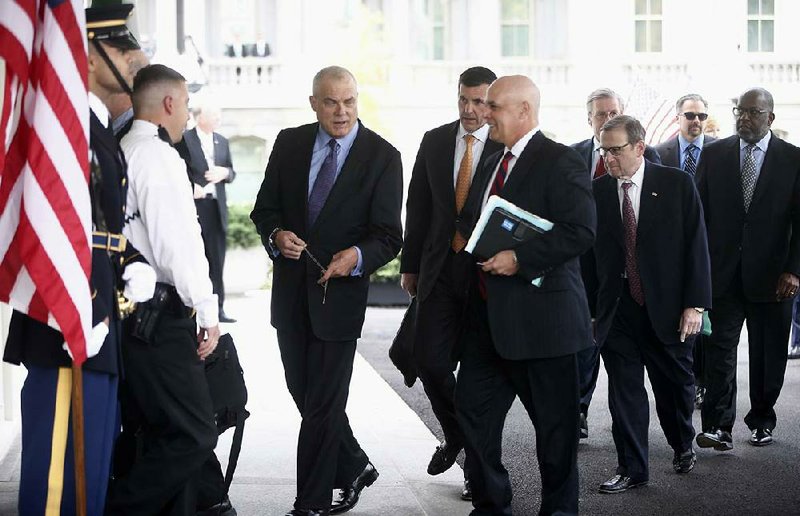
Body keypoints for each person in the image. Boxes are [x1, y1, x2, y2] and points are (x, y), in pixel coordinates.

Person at [2, 5, 156, 515]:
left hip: (97, 312)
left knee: (88, 471)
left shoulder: (96, 129)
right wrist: (80, 304)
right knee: (58, 482)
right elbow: (51, 223)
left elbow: (97, 223)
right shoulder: (65, 126)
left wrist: (131, 257)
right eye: (121, 48)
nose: (135, 58)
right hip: (68, 314)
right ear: (87, 55)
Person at [250, 66, 402, 516]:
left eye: (350, 101)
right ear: (314, 102)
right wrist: (276, 235)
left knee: (322, 405)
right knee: (303, 391)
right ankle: (353, 464)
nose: (342, 111)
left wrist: (355, 257)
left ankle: (310, 502)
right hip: (291, 296)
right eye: (332, 102)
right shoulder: (289, 142)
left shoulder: (383, 157)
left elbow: (389, 236)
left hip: (340, 300)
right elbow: (265, 209)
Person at [454, 75, 595, 516]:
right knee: (471, 416)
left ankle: (558, 511)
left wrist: (520, 258)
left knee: (556, 434)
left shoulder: (561, 160)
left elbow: (581, 231)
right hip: (486, 323)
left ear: (523, 112)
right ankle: (492, 504)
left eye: (493, 106)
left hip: (544, 325)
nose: (482, 113)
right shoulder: (492, 158)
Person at [106, 64, 222, 515]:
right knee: (195, 433)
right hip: (158, 315)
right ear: (169, 103)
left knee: (152, 429)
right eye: (187, 106)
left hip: (130, 312)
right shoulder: (157, 155)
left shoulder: (123, 147)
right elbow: (178, 245)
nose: (188, 117)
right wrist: (207, 310)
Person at [589, 115, 711, 494]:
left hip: (669, 308)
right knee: (623, 393)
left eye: (616, 150)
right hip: (618, 309)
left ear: (639, 148)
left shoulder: (675, 184)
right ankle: (632, 467)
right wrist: (590, 308)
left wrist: (695, 304)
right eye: (603, 150)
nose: (609, 158)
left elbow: (697, 246)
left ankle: (681, 442)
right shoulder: (596, 192)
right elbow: (588, 257)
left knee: (673, 387)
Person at [399, 66, 502, 500]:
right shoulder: (435, 139)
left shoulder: (506, 145)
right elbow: (418, 205)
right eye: (464, 99)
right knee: (429, 360)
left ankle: (476, 471)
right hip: (439, 270)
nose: (470, 109)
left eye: (479, 101)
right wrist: (410, 266)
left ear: (492, 103)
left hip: (486, 276)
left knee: (480, 385)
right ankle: (458, 434)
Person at [695, 87, 800, 450]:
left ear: (770, 118)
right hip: (722, 275)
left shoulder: (794, 159)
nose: (744, 118)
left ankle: (762, 420)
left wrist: (794, 270)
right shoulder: (714, 154)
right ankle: (717, 426)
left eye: (754, 112)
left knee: (767, 353)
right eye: (740, 110)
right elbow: (699, 217)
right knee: (718, 352)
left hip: (774, 278)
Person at [571, 88, 661, 439]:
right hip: (595, 275)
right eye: (600, 114)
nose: (607, 119)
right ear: (589, 119)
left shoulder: (650, 159)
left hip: (643, 285)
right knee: (587, 352)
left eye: (613, 113)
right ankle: (579, 411)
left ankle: (675, 434)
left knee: (653, 371)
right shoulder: (572, 156)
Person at [654, 94, 717, 408]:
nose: (696, 121)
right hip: (670, 257)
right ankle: (682, 385)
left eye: (702, 116)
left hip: (711, 254)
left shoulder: (720, 151)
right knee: (679, 326)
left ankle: (702, 384)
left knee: (706, 329)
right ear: (678, 117)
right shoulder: (659, 153)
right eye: (690, 115)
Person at [179, 103, 238, 323]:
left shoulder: (222, 141)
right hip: (195, 207)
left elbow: (232, 172)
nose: (218, 118)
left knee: (217, 260)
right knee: (195, 259)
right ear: (200, 116)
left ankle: (219, 309)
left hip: (216, 209)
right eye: (214, 113)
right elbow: (179, 169)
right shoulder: (185, 139)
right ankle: (193, 308)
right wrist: (191, 186)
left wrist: (225, 173)